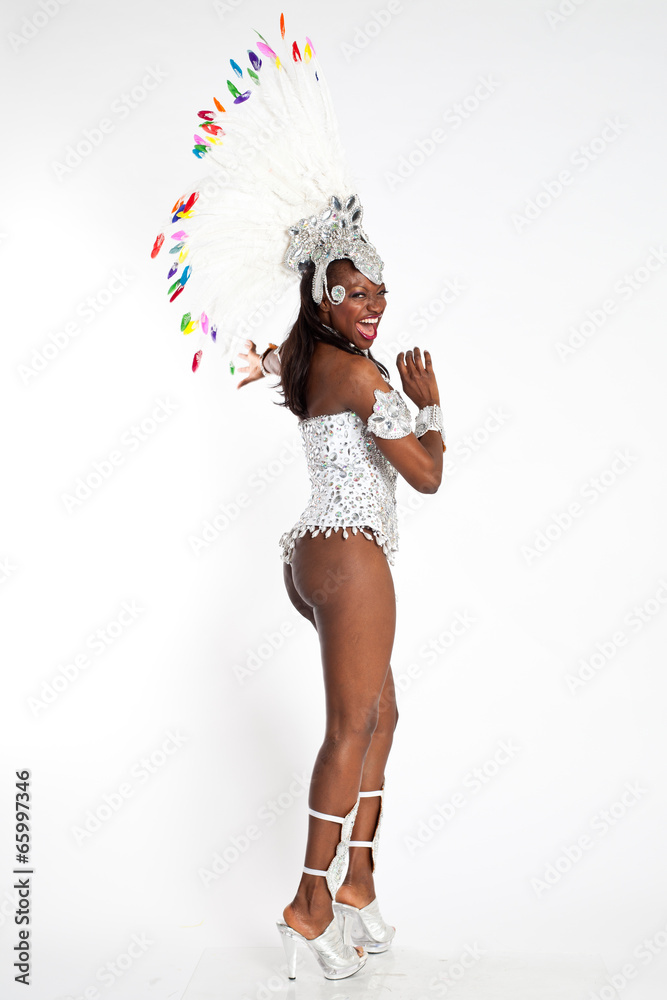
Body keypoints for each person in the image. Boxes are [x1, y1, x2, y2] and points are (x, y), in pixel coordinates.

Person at [236, 255, 444, 980]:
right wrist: (430, 408)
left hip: (313, 553)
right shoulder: (358, 375)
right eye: (354, 293)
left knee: (381, 717)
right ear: (323, 300)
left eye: (378, 291)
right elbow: (426, 475)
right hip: (351, 556)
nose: (372, 304)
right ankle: (308, 903)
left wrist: (261, 361)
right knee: (351, 729)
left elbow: (276, 359)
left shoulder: (307, 355)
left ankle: (356, 881)